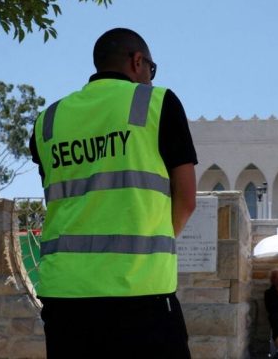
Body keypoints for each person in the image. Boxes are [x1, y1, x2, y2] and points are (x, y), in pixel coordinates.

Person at [30, 28, 198, 358]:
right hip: (140, 296)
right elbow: (187, 199)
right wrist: (154, 242)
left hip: (64, 298)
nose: (151, 78)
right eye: (150, 69)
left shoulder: (47, 120)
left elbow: (60, 196)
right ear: (138, 62)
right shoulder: (156, 103)